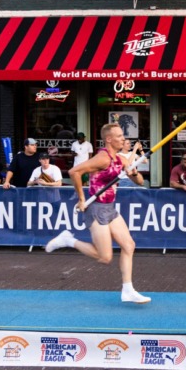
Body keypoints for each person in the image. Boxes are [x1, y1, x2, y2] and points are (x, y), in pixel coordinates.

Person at [45, 123, 150, 304]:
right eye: (119, 136)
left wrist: (133, 173)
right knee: (105, 257)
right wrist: (80, 198)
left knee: (129, 245)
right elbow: (74, 172)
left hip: (110, 208)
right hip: (96, 209)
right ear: (108, 139)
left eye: (122, 136)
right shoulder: (103, 158)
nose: (123, 139)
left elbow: (139, 181)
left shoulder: (121, 159)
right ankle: (69, 240)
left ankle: (128, 290)